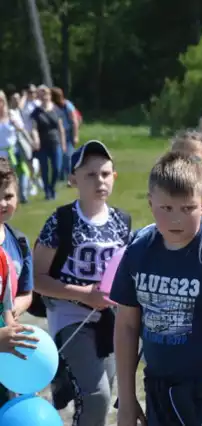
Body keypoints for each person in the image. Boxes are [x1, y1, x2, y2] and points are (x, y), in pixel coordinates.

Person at [111, 151, 202, 426]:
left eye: (187, 208)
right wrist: (127, 401)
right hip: (159, 391)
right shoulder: (138, 251)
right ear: (150, 202)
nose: (176, 219)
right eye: (166, 209)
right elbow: (126, 327)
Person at [32, 140, 130, 426]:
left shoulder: (122, 221)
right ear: (73, 180)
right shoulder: (61, 221)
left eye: (105, 173)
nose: (99, 180)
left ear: (114, 177)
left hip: (109, 319)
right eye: (90, 174)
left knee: (100, 393)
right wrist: (84, 294)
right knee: (96, 395)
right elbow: (37, 279)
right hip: (70, 316)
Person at [0, 158, 34, 318]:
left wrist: (12, 309)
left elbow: (26, 293)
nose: (2, 203)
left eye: (8, 196)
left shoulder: (20, 242)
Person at [30, 85, 66, 200]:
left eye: (45, 93)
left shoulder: (56, 109)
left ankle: (52, 187)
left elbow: (61, 127)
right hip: (43, 144)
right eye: (41, 94)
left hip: (55, 142)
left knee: (57, 168)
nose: (44, 96)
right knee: (44, 169)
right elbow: (34, 128)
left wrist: (63, 142)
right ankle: (47, 192)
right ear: (39, 97)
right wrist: (36, 139)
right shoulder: (36, 112)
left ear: (50, 95)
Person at [51, 87, 80, 182]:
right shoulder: (52, 106)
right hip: (57, 133)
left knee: (68, 155)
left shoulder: (67, 105)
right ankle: (63, 176)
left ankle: (71, 176)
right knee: (61, 156)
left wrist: (75, 136)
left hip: (68, 133)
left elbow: (75, 121)